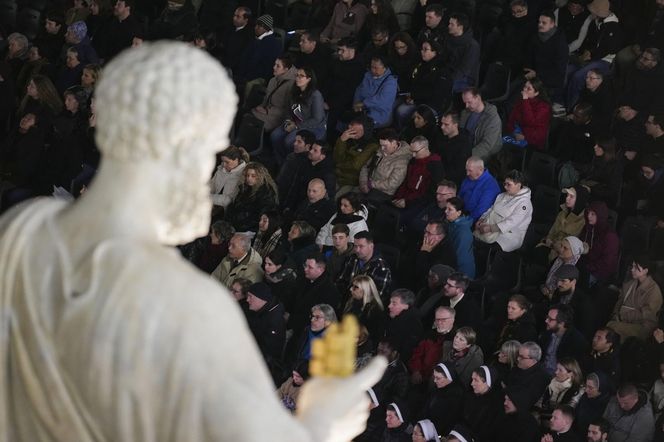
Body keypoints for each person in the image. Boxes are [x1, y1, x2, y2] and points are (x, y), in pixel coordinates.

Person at [0, 42, 386, 441]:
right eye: (210, 151)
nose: (213, 169)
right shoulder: (194, 306)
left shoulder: (26, 225)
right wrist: (323, 422)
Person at [271, 67, 327, 164]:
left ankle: (292, 163)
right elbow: (288, 110)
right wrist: (288, 121)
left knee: (289, 141)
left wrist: (296, 126)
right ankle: (282, 162)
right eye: (297, 75)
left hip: (312, 127)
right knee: (275, 136)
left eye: (301, 76)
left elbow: (317, 119)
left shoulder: (315, 95)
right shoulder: (294, 91)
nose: (297, 78)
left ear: (309, 79)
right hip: (295, 122)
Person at [474, 169, 533, 253]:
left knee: (488, 249)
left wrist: (491, 228)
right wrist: (481, 219)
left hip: (509, 235)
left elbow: (512, 222)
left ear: (518, 185)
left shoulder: (525, 204)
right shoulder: (502, 195)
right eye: (504, 184)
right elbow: (491, 209)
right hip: (490, 225)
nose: (505, 187)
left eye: (509, 185)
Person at [607, 255, 663, 341]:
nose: (632, 269)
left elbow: (647, 316)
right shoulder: (630, 283)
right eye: (632, 266)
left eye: (636, 268)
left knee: (611, 327)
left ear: (645, 271)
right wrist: (616, 315)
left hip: (643, 326)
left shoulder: (654, 291)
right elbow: (620, 301)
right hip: (625, 320)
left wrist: (623, 315)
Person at [535, 186, 589, 264]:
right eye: (567, 195)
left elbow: (570, 247)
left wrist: (552, 245)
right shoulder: (562, 213)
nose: (567, 198)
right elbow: (552, 232)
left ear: (579, 200)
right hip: (550, 246)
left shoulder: (583, 221)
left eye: (571, 196)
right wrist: (547, 241)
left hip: (563, 256)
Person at [358, 128, 411, 204]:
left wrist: (371, 185)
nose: (382, 148)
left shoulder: (402, 161)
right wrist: (363, 182)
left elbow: (392, 183)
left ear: (394, 143)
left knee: (359, 203)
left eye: (385, 146)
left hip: (383, 193)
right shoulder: (380, 151)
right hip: (367, 185)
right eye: (381, 145)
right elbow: (366, 167)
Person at [245, 282, 286, 379]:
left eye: (251, 297)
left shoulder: (275, 321)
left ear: (261, 298)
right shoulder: (259, 311)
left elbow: (270, 352)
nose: (247, 300)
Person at [224, 162, 278, 232]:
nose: (249, 178)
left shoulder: (266, 193)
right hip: (237, 225)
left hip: (249, 230)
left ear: (260, 176)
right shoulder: (245, 188)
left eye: (253, 176)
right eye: (247, 175)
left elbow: (259, 217)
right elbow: (234, 206)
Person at [409, 306, 457, 385]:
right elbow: (417, 354)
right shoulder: (428, 335)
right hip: (421, 378)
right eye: (437, 319)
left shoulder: (457, 339)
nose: (439, 323)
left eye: (443, 320)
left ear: (452, 320)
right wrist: (416, 371)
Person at [577, 201, 619, 287]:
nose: (589, 216)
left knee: (574, 278)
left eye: (593, 214)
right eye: (588, 213)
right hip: (585, 264)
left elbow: (607, 263)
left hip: (598, 272)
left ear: (600, 216)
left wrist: (588, 267)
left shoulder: (610, 236)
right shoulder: (588, 228)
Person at [251, 54, 297, 132]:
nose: (274, 67)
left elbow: (288, 110)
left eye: (278, 66)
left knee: (251, 120)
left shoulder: (292, 85)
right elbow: (266, 98)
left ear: (286, 70)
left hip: (278, 117)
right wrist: (262, 107)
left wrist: (268, 111)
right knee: (246, 115)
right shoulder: (273, 80)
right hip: (267, 112)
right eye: (274, 64)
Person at [334, 118, 380, 194]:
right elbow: (336, 158)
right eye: (351, 129)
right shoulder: (347, 138)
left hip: (352, 182)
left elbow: (356, 166)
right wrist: (341, 141)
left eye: (356, 131)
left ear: (365, 131)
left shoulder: (372, 145)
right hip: (337, 175)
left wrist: (339, 165)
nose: (352, 133)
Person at [351, 55, 398, 128]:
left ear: (384, 67)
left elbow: (382, 100)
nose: (373, 70)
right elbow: (359, 90)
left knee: (358, 127)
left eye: (376, 68)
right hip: (362, 110)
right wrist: (356, 103)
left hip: (378, 114)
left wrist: (363, 103)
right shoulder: (367, 75)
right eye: (372, 67)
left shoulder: (391, 82)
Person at [506, 77, 552, 150]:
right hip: (518, 131)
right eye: (525, 86)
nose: (524, 89)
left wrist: (524, 136)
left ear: (536, 93)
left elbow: (530, 121)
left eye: (529, 89)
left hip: (531, 137)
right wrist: (511, 131)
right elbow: (513, 117)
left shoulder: (544, 107)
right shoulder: (523, 100)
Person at [460, 88, 503, 160]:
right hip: (468, 147)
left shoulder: (492, 118)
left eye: (469, 102)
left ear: (478, 98)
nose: (466, 106)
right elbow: (461, 132)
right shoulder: (465, 112)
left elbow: (486, 145)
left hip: (486, 152)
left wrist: (467, 155)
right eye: (465, 103)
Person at [421, 363, 464, 435]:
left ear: (449, 378)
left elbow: (448, 423)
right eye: (434, 377)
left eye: (438, 378)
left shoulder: (456, 398)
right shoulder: (438, 388)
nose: (434, 380)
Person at [537, 359, 584, 424]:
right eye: (556, 369)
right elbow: (540, 402)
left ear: (571, 374)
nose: (556, 372)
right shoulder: (552, 383)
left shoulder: (577, 390)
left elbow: (567, 412)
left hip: (561, 423)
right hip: (543, 418)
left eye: (560, 370)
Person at [462, 365, 503, 441]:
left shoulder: (494, 407)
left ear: (488, 383)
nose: (472, 383)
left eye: (476, 380)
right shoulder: (471, 396)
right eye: (472, 379)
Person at [443, 12, 480, 93]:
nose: (448, 26)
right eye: (449, 23)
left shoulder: (472, 46)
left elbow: (464, 70)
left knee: (443, 85)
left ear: (460, 27)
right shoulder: (449, 39)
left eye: (452, 24)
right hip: (449, 72)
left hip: (465, 78)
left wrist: (447, 79)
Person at [506, 341, 551, 408]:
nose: (518, 359)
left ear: (533, 360)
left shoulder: (542, 377)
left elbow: (527, 400)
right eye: (518, 355)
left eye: (521, 357)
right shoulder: (517, 368)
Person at [342, 275, 386, 343]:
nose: (351, 289)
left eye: (355, 287)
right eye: (352, 286)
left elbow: (375, 336)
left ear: (366, 289)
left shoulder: (374, 310)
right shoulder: (351, 302)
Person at [385, 289, 424, 362]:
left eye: (394, 303)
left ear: (406, 306)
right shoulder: (397, 320)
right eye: (390, 302)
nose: (389, 306)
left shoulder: (407, 325)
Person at [458, 156, 501, 222]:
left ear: (480, 169)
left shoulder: (491, 185)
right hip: (460, 213)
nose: (467, 173)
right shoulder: (468, 178)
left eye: (470, 171)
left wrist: (464, 221)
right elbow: (459, 196)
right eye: (466, 170)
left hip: (476, 220)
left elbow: (481, 210)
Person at [209, 146, 250, 212]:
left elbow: (230, 200)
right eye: (222, 161)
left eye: (227, 162)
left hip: (229, 211)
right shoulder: (222, 168)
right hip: (214, 203)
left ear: (236, 160)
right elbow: (212, 184)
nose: (224, 165)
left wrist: (207, 198)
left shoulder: (244, 175)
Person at [444, 197, 476, 278]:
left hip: (461, 274)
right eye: (446, 208)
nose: (445, 211)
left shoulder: (463, 232)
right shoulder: (452, 223)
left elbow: (459, 258)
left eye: (449, 209)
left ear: (458, 213)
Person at [439, 112, 473, 186]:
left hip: (449, 182)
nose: (442, 127)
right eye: (442, 123)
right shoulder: (441, 136)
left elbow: (458, 171)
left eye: (446, 124)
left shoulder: (464, 145)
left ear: (455, 125)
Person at [575, 373, 611, 438]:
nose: (586, 390)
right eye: (586, 386)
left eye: (590, 388)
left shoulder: (607, 404)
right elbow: (576, 413)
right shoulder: (585, 397)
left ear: (600, 389)